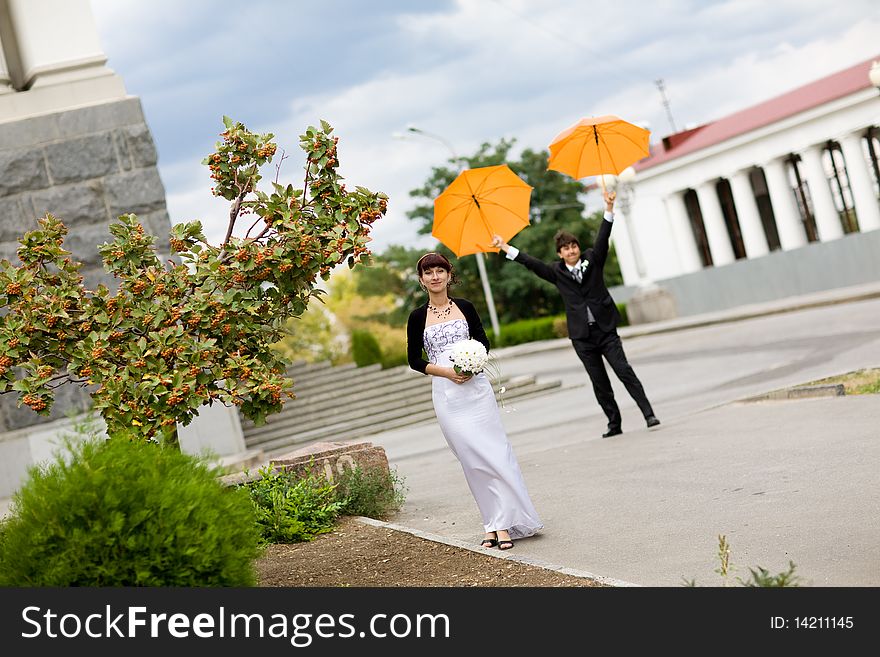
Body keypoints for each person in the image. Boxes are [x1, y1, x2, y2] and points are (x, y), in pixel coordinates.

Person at [491, 189, 660, 438]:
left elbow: (603, 237)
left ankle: (648, 414)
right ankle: (614, 424)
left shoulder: (593, 259)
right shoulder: (556, 272)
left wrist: (609, 208)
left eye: (573, 246)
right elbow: (531, 263)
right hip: (582, 337)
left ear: (578, 248)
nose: (571, 251)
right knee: (599, 382)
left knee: (624, 371)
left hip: (605, 330)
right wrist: (505, 246)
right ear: (560, 254)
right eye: (565, 249)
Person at [407, 252, 542, 550]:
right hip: (447, 396)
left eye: (440, 270)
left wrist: (472, 364)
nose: (435, 276)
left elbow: (483, 341)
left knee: (494, 453)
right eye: (428, 272)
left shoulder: (465, 307)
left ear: (449, 275)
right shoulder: (417, 316)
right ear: (421, 280)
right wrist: (446, 372)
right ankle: (492, 521)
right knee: (472, 459)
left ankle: (501, 525)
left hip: (477, 391)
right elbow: (414, 360)